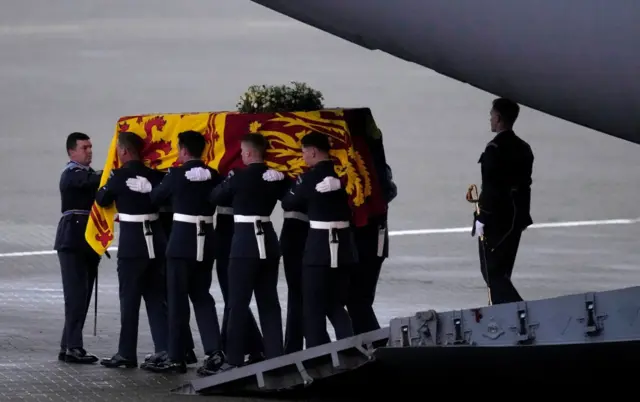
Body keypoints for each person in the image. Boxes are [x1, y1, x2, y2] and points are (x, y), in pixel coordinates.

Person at [126, 130, 225, 374]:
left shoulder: (177, 174)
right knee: (202, 296)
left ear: (182, 150)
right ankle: (214, 351)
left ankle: (176, 356)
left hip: (182, 242)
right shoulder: (212, 175)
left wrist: (148, 186)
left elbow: (156, 198)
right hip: (207, 240)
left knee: (177, 299)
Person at [196, 133, 289, 372]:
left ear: (247, 153)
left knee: (237, 302)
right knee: (269, 302)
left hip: (244, 241)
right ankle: (275, 356)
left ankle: (234, 359)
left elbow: (215, 196)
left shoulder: (238, 176)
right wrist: (283, 178)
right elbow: (290, 199)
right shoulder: (274, 178)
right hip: (268, 238)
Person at [94, 132, 169, 369]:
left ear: (124, 151)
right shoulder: (155, 176)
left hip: (133, 243)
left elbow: (102, 199)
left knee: (129, 300)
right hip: (157, 241)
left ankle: (126, 353)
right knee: (157, 298)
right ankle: (164, 349)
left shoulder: (119, 176)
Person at [281, 132, 356, 348]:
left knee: (312, 306)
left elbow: (288, 202)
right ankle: (350, 348)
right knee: (335, 303)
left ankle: (317, 357)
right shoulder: (346, 176)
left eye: (304, 151)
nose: (303, 156)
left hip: (318, 248)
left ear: (313, 150)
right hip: (345, 247)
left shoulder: (309, 178)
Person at [474, 98, 534, 305]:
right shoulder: (524, 148)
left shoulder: (495, 149)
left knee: (492, 274)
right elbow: (525, 186)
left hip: (496, 220)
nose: (490, 118)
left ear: (498, 118)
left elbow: (491, 188)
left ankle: (517, 312)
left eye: (492, 115)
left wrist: (482, 217)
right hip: (516, 219)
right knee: (503, 271)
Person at [54, 132, 102, 364]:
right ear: (72, 151)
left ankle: (68, 345)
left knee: (82, 295)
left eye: (91, 147)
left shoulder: (89, 174)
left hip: (87, 241)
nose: (89, 151)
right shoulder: (71, 174)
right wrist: (114, 174)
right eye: (84, 147)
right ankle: (73, 346)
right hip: (73, 240)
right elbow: (89, 183)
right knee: (75, 296)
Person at [212, 183, 265, 364]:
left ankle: (250, 347)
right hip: (232, 227)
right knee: (232, 295)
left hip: (233, 229)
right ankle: (249, 346)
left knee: (233, 295)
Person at [279, 178, 310, 354]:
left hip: (298, 236)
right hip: (303, 236)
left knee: (298, 294)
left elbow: (287, 201)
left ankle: (295, 346)